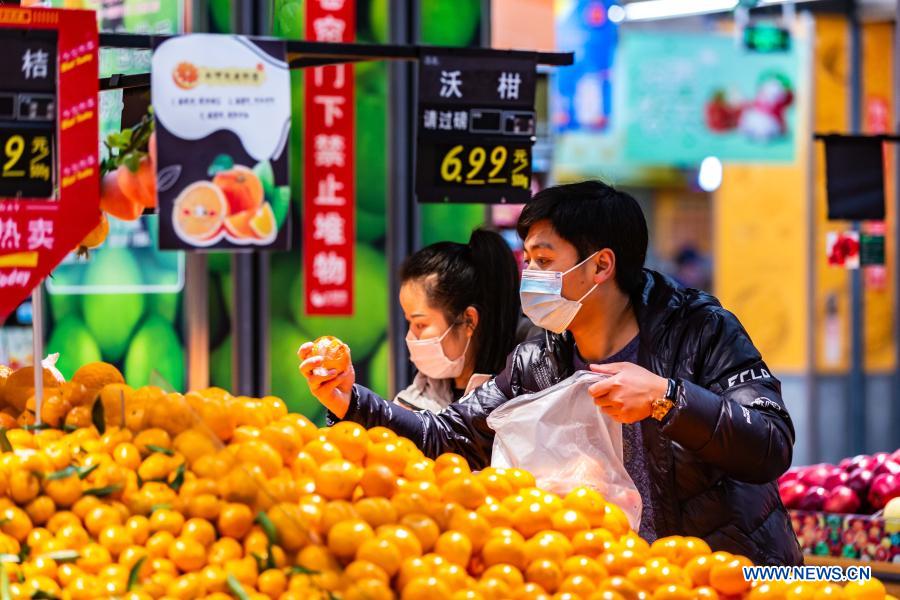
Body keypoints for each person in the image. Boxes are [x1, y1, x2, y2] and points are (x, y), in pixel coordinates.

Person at [299, 181, 802, 565]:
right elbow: (448, 437)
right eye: (528, 260)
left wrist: (667, 398)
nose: (530, 276)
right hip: (604, 582)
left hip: (724, 576)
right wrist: (350, 399)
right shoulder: (539, 358)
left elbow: (771, 444)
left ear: (600, 265)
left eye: (543, 260)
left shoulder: (701, 330)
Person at [302, 228, 521, 413]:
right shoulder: (414, 398)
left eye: (420, 324)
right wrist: (346, 402)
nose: (411, 337)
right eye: (409, 323)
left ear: (469, 321)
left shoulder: (524, 392)